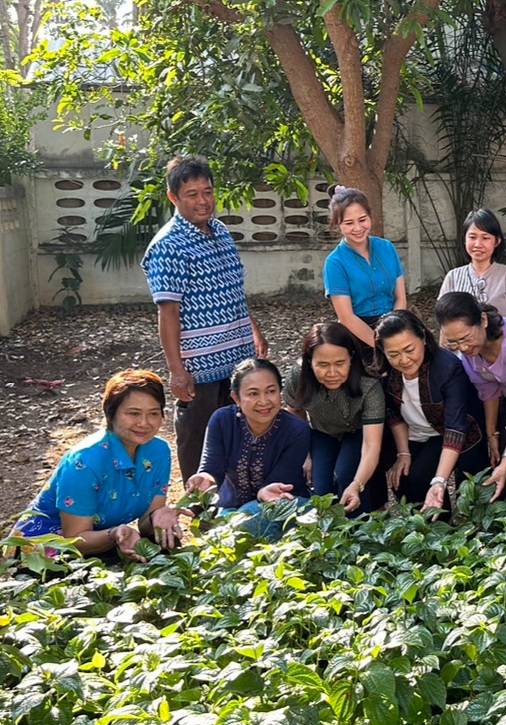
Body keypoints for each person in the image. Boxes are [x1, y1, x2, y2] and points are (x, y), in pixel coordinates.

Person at [142, 155, 267, 483]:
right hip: (201, 366)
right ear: (173, 197)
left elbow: (234, 290)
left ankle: (235, 496)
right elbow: (167, 312)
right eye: (192, 194)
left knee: (237, 429)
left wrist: (253, 329)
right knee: (199, 436)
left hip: (237, 358)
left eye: (208, 192)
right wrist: (177, 371)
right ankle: (201, 506)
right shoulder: (169, 246)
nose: (203, 201)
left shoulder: (221, 232)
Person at [12, 370, 183, 561]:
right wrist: (114, 534)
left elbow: (145, 524)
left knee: (167, 546)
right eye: (133, 413)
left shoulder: (159, 451)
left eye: (153, 413)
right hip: (49, 549)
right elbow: (74, 538)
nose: (144, 423)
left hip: (105, 536)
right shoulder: (84, 461)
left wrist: (157, 517)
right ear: (111, 414)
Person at [435, 293, 506, 504]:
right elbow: (488, 390)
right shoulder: (469, 352)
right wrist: (491, 433)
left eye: (466, 338)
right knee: (498, 459)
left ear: (483, 321)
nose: (464, 348)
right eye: (454, 342)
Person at [375, 310, 489, 509]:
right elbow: (391, 413)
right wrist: (403, 453)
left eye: (409, 350)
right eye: (393, 354)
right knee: (402, 478)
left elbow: (455, 427)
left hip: (460, 433)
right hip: (417, 434)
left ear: (424, 338)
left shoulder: (447, 368)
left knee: (472, 494)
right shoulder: (384, 373)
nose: (403, 360)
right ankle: (437, 528)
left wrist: (440, 480)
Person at [284, 322, 387, 514]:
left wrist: (357, 484)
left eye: (340, 363)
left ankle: (361, 528)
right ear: (309, 362)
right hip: (322, 432)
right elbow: (294, 411)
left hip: (359, 433)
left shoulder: (369, 385)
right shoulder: (298, 376)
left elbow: (371, 445)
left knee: (346, 477)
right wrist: (305, 454)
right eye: (322, 365)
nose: (332, 373)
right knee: (322, 491)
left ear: (351, 359)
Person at [185, 358, 310, 514]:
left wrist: (264, 493)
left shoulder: (297, 430)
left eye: (271, 391)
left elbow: (283, 478)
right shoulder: (222, 420)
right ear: (236, 398)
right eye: (253, 393)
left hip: (282, 505)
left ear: (280, 393)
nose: (264, 401)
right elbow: (212, 467)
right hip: (231, 507)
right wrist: (205, 478)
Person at [322, 187, 406, 348]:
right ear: (337, 224)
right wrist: (381, 346)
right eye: (348, 223)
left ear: (370, 217)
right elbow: (347, 317)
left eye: (362, 219)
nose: (358, 228)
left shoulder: (387, 248)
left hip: (395, 325)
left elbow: (400, 298)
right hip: (358, 334)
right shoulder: (335, 262)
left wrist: (394, 334)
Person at [438, 209, 506, 320]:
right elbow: (445, 323)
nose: (478, 244)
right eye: (472, 237)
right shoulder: (453, 277)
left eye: (485, 238)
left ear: (497, 241)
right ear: (464, 239)